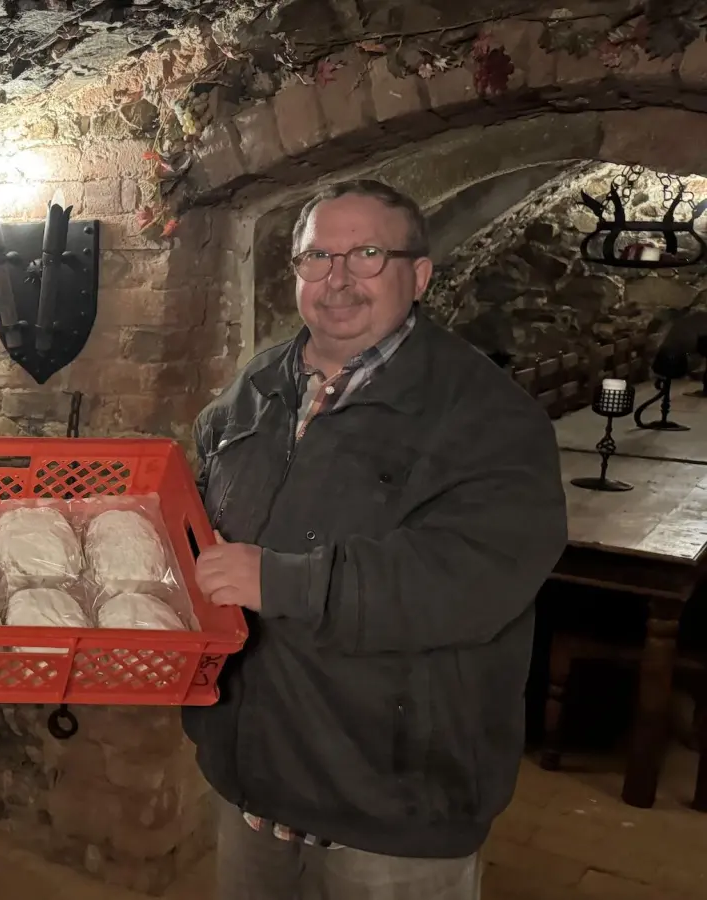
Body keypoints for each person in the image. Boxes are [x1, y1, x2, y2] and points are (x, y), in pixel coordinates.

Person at [184, 179, 568, 900]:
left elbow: (470, 580)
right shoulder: (257, 387)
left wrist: (283, 581)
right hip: (252, 779)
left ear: (417, 275)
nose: (337, 280)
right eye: (317, 257)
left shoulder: (489, 417)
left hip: (393, 806)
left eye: (366, 255)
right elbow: (200, 521)